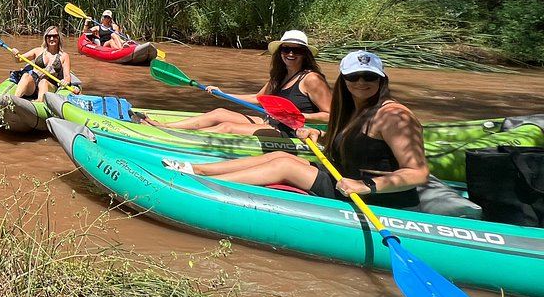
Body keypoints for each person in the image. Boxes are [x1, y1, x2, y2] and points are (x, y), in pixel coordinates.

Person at [166, 51, 429, 210]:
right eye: (354, 77)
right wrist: (320, 135)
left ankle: (202, 187)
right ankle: (196, 169)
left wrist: (366, 186)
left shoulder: (395, 116)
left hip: (375, 197)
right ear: (344, 80)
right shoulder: (356, 110)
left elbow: (418, 173)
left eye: (369, 77)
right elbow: (361, 141)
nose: (361, 83)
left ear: (381, 80)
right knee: (282, 157)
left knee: (286, 167)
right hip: (342, 177)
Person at [151, 30, 331, 135]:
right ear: (280, 51)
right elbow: (258, 98)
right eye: (286, 49)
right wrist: (223, 93)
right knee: (219, 112)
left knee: (227, 127)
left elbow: (331, 115)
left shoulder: (312, 79)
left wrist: (298, 116)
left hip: (293, 132)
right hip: (270, 122)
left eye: (296, 50)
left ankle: (176, 137)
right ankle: (165, 128)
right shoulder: (280, 75)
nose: (290, 54)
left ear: (304, 54)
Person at [14, 25, 74, 100]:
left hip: (49, 85)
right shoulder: (37, 51)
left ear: (58, 38)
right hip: (33, 84)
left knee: (43, 82)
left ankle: (39, 103)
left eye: (54, 36)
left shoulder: (64, 56)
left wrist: (66, 82)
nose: (52, 39)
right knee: (26, 76)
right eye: (49, 36)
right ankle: (14, 100)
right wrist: (16, 55)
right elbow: (18, 60)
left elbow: (67, 77)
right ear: (46, 38)